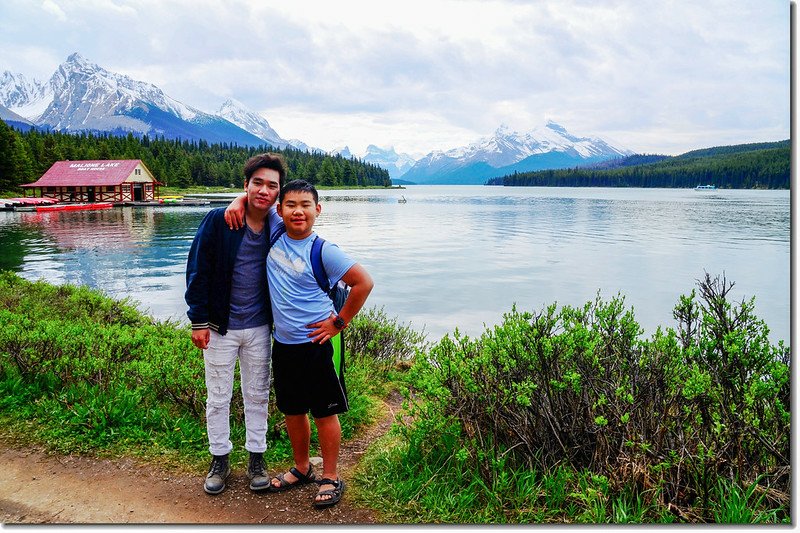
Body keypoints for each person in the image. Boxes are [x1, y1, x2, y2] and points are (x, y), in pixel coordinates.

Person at [225, 179, 374, 508]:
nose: (298, 211)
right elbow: (256, 198)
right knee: (293, 411)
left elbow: (363, 282)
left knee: (324, 412)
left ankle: (331, 475)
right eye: (291, 205)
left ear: (317, 210)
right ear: (280, 210)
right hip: (285, 345)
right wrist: (238, 200)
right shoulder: (276, 231)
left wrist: (338, 323)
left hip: (318, 345)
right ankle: (303, 468)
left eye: (306, 205)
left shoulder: (324, 250)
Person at [184, 153, 285, 495]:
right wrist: (198, 321)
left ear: (278, 192)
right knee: (218, 397)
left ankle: (257, 459)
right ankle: (220, 459)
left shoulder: (278, 224)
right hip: (218, 327)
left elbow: (305, 217)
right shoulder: (218, 221)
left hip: (259, 326)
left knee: (257, 395)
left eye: (272, 185)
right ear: (246, 185)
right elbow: (197, 271)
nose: (264, 190)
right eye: (257, 183)